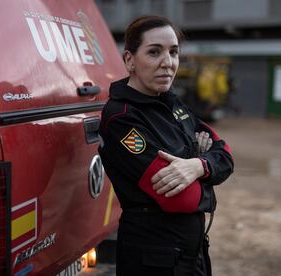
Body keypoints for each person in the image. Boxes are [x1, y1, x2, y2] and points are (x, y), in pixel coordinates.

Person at [98, 15, 234, 276]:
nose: (168, 63)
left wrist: (197, 165)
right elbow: (182, 199)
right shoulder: (122, 117)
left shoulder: (173, 104)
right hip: (153, 258)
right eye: (154, 52)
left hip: (191, 253)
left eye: (174, 52)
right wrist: (202, 160)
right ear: (129, 60)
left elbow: (226, 154)